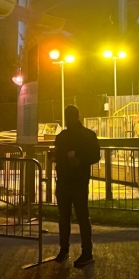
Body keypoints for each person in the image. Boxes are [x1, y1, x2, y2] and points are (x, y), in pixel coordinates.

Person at [54, 105, 100, 267]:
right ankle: (86, 252)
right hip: (79, 180)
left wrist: (72, 160)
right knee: (82, 216)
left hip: (65, 180)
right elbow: (96, 155)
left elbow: (57, 156)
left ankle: (65, 250)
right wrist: (81, 161)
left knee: (65, 217)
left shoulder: (62, 136)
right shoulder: (88, 135)